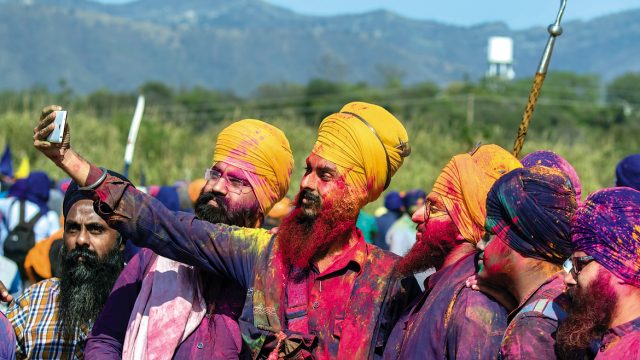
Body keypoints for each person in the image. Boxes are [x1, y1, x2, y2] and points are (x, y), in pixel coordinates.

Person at [34, 102, 419, 359]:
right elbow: (163, 225)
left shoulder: (390, 283)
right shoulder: (262, 255)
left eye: (325, 175)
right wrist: (71, 161)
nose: (308, 184)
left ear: (359, 191)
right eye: (307, 170)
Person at [85, 119, 294, 359]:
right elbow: (105, 339)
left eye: (236, 181)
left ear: (262, 201)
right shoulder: (152, 260)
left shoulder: (271, 274)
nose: (217, 187)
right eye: (215, 174)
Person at [384, 144, 521, 359]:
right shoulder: (436, 288)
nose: (417, 215)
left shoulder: (472, 306)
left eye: (435, 208)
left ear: (463, 226)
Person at [3, 174, 130, 359]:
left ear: (121, 241)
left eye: (95, 229)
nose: (81, 240)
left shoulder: (141, 303)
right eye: (72, 228)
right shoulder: (34, 301)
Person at [470, 166, 577, 359]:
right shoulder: (562, 295)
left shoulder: (532, 329)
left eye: (490, 234)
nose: (480, 245)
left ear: (520, 242)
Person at [557, 187, 640, 359]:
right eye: (569, 264)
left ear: (622, 265)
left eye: (579, 264)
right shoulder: (612, 341)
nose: (568, 278)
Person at [0, 172, 60, 279]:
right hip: (33, 269)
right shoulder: (50, 216)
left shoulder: (11, 204)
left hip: (8, 260)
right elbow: (54, 244)